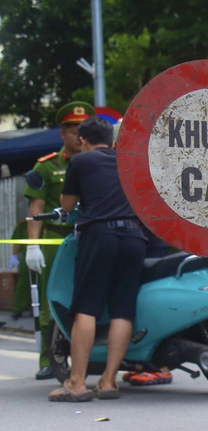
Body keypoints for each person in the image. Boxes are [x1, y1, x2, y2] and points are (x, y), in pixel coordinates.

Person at [48, 117, 146, 401]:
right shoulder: (127, 160)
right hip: (133, 239)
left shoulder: (81, 161)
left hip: (99, 237)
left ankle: (77, 382)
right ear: (113, 141)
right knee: (122, 310)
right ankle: (108, 381)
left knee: (87, 308)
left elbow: (67, 204)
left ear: (82, 140)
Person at [24, 100, 92, 379]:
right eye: (72, 129)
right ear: (61, 133)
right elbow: (35, 209)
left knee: (88, 301)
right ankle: (47, 359)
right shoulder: (46, 167)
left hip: (88, 240)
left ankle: (88, 358)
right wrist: (33, 246)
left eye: (82, 128)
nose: (77, 134)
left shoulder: (99, 162)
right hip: (57, 242)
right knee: (50, 302)